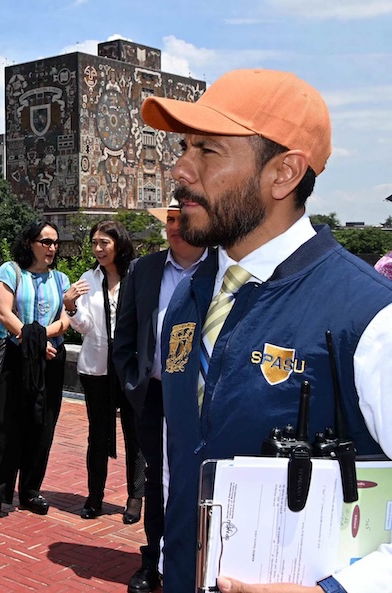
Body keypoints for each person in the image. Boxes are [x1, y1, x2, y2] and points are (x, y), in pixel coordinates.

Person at [140, 68, 392, 592]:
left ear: (284, 173)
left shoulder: (369, 318)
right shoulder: (189, 298)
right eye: (184, 147)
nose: (180, 169)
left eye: (208, 150)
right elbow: (180, 453)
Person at [112, 198, 211, 593]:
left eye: (181, 219)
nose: (173, 227)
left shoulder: (222, 268)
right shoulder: (144, 269)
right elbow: (124, 335)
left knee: (201, 478)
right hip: (153, 394)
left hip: (202, 397)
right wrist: (133, 385)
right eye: (168, 219)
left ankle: (198, 561)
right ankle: (153, 559)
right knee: (156, 479)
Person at [0, 220, 71, 526]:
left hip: (50, 358)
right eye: (46, 241)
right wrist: (35, 343)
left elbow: (66, 320)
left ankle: (30, 490)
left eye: (56, 242)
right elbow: (4, 313)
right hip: (16, 356)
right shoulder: (10, 271)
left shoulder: (61, 279)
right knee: (6, 424)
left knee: (43, 425)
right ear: (30, 243)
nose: (52, 248)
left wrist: (40, 342)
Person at [62, 221, 146, 524]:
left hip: (130, 368)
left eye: (104, 243)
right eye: (94, 243)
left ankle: (135, 497)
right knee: (97, 435)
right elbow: (85, 326)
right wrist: (71, 307)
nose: (98, 249)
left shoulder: (137, 277)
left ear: (118, 244)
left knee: (135, 434)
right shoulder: (88, 279)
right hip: (97, 368)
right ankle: (94, 496)